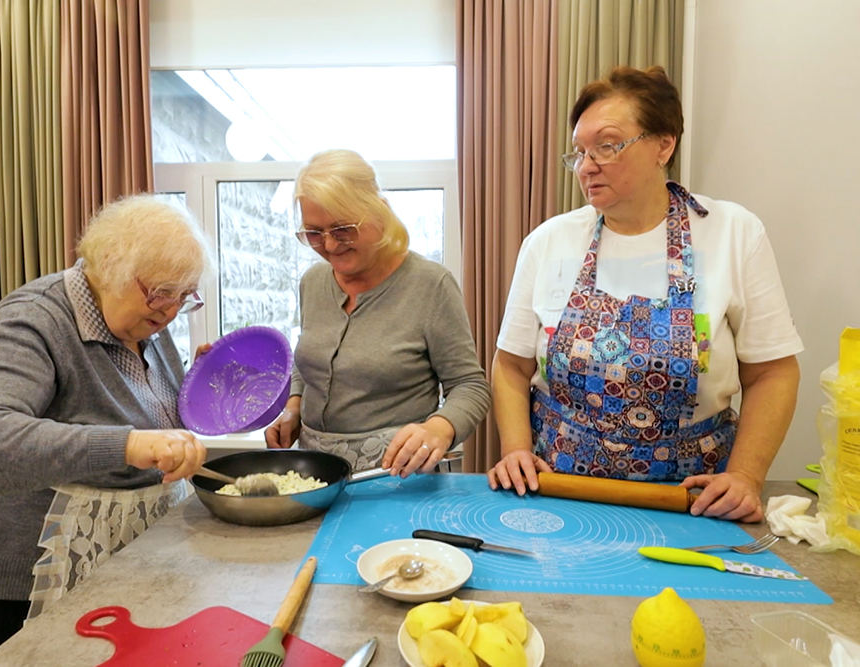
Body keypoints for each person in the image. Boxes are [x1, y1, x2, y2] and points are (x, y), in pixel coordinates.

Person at [487, 66, 802, 523]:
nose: (586, 164)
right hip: (560, 492)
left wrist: (747, 476)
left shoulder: (733, 232)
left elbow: (773, 372)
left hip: (690, 502)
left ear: (663, 145)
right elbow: (510, 366)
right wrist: (515, 449)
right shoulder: (549, 241)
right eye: (578, 152)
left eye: (607, 145)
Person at [0, 195, 213, 667]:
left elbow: (151, 416)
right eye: (162, 292)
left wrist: (197, 389)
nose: (171, 311)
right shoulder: (35, 317)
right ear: (110, 264)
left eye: (185, 295)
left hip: (105, 556)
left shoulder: (146, 322)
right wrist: (126, 444)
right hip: (9, 570)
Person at [265, 149, 491, 476]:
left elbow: (470, 386)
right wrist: (293, 408)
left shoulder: (430, 285)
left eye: (343, 229)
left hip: (397, 477)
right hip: (316, 474)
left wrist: (439, 429)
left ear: (378, 212)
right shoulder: (313, 282)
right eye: (314, 233)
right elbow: (310, 360)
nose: (328, 246)